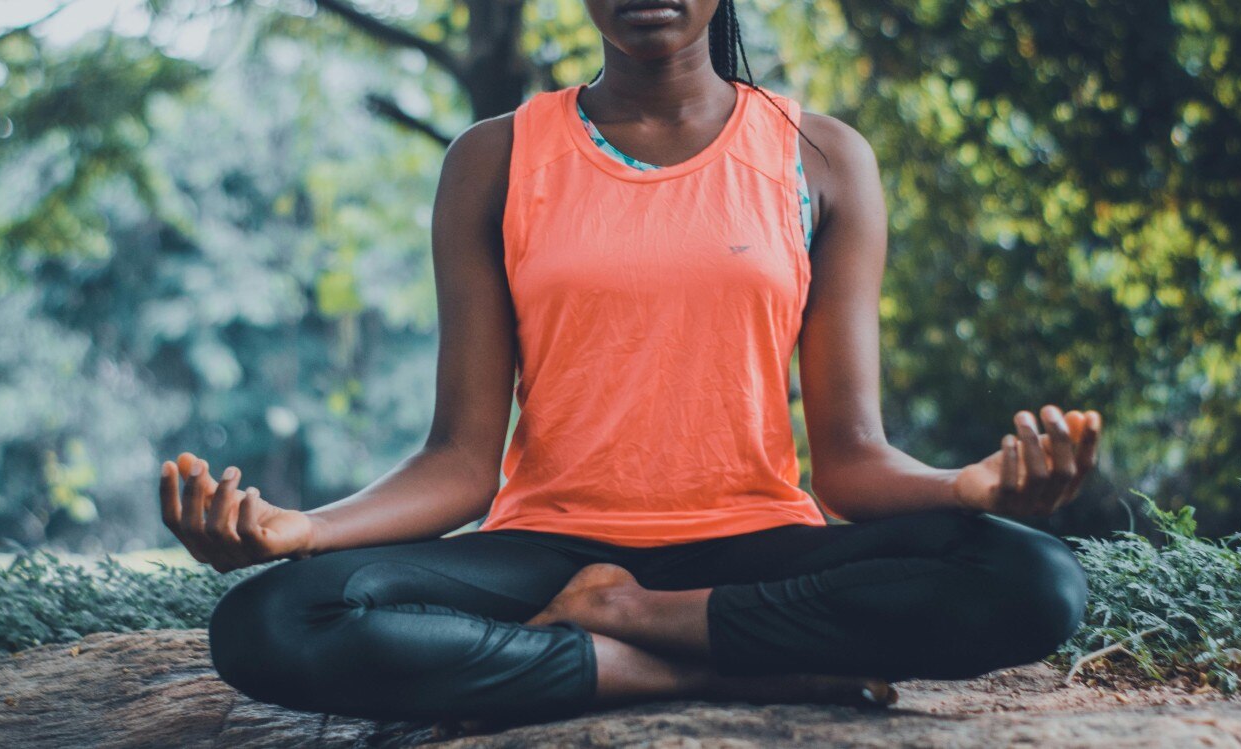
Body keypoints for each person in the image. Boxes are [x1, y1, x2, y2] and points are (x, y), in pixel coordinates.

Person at [159, 0, 1102, 735]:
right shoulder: (494, 158)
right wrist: (304, 530)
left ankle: (624, 623)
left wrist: (964, 489)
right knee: (273, 621)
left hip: (753, 546)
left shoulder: (822, 158)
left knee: (1032, 580)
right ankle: (699, 667)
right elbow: (457, 460)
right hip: (545, 553)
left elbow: (851, 460)